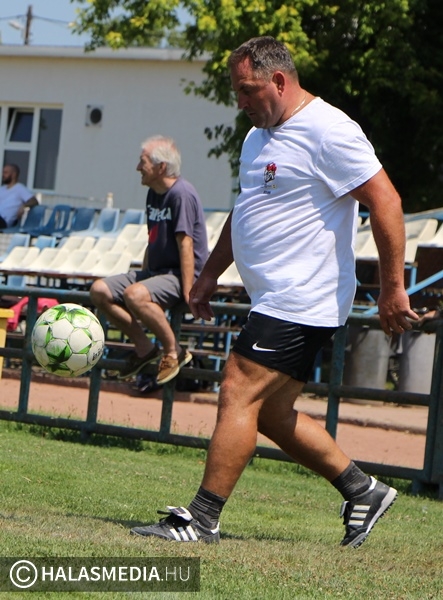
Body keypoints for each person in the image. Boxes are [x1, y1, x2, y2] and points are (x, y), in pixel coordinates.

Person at [130, 37, 419, 547]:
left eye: (247, 90)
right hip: (274, 297)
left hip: (304, 296)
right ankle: (362, 490)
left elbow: (387, 201)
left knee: (236, 388)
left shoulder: (330, 129)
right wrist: (209, 274)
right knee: (269, 412)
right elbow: (247, 211)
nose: (240, 101)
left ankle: (202, 519)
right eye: (237, 91)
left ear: (279, 81)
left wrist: (393, 288)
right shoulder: (257, 137)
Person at [90, 135, 208, 385]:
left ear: (161, 167)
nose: (138, 168)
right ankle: (145, 349)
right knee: (99, 290)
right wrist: (145, 278)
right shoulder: (154, 194)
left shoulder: (181, 194)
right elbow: (152, 238)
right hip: (157, 273)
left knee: (134, 295)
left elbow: (186, 245)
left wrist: (189, 291)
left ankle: (174, 352)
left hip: (180, 275)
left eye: (142, 162)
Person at [0, 164, 39, 229]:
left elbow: (34, 201)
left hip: (4, 221)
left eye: (5, 173)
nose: (3, 175)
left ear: (14, 174)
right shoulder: (2, 189)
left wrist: (23, 206)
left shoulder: (20, 188)